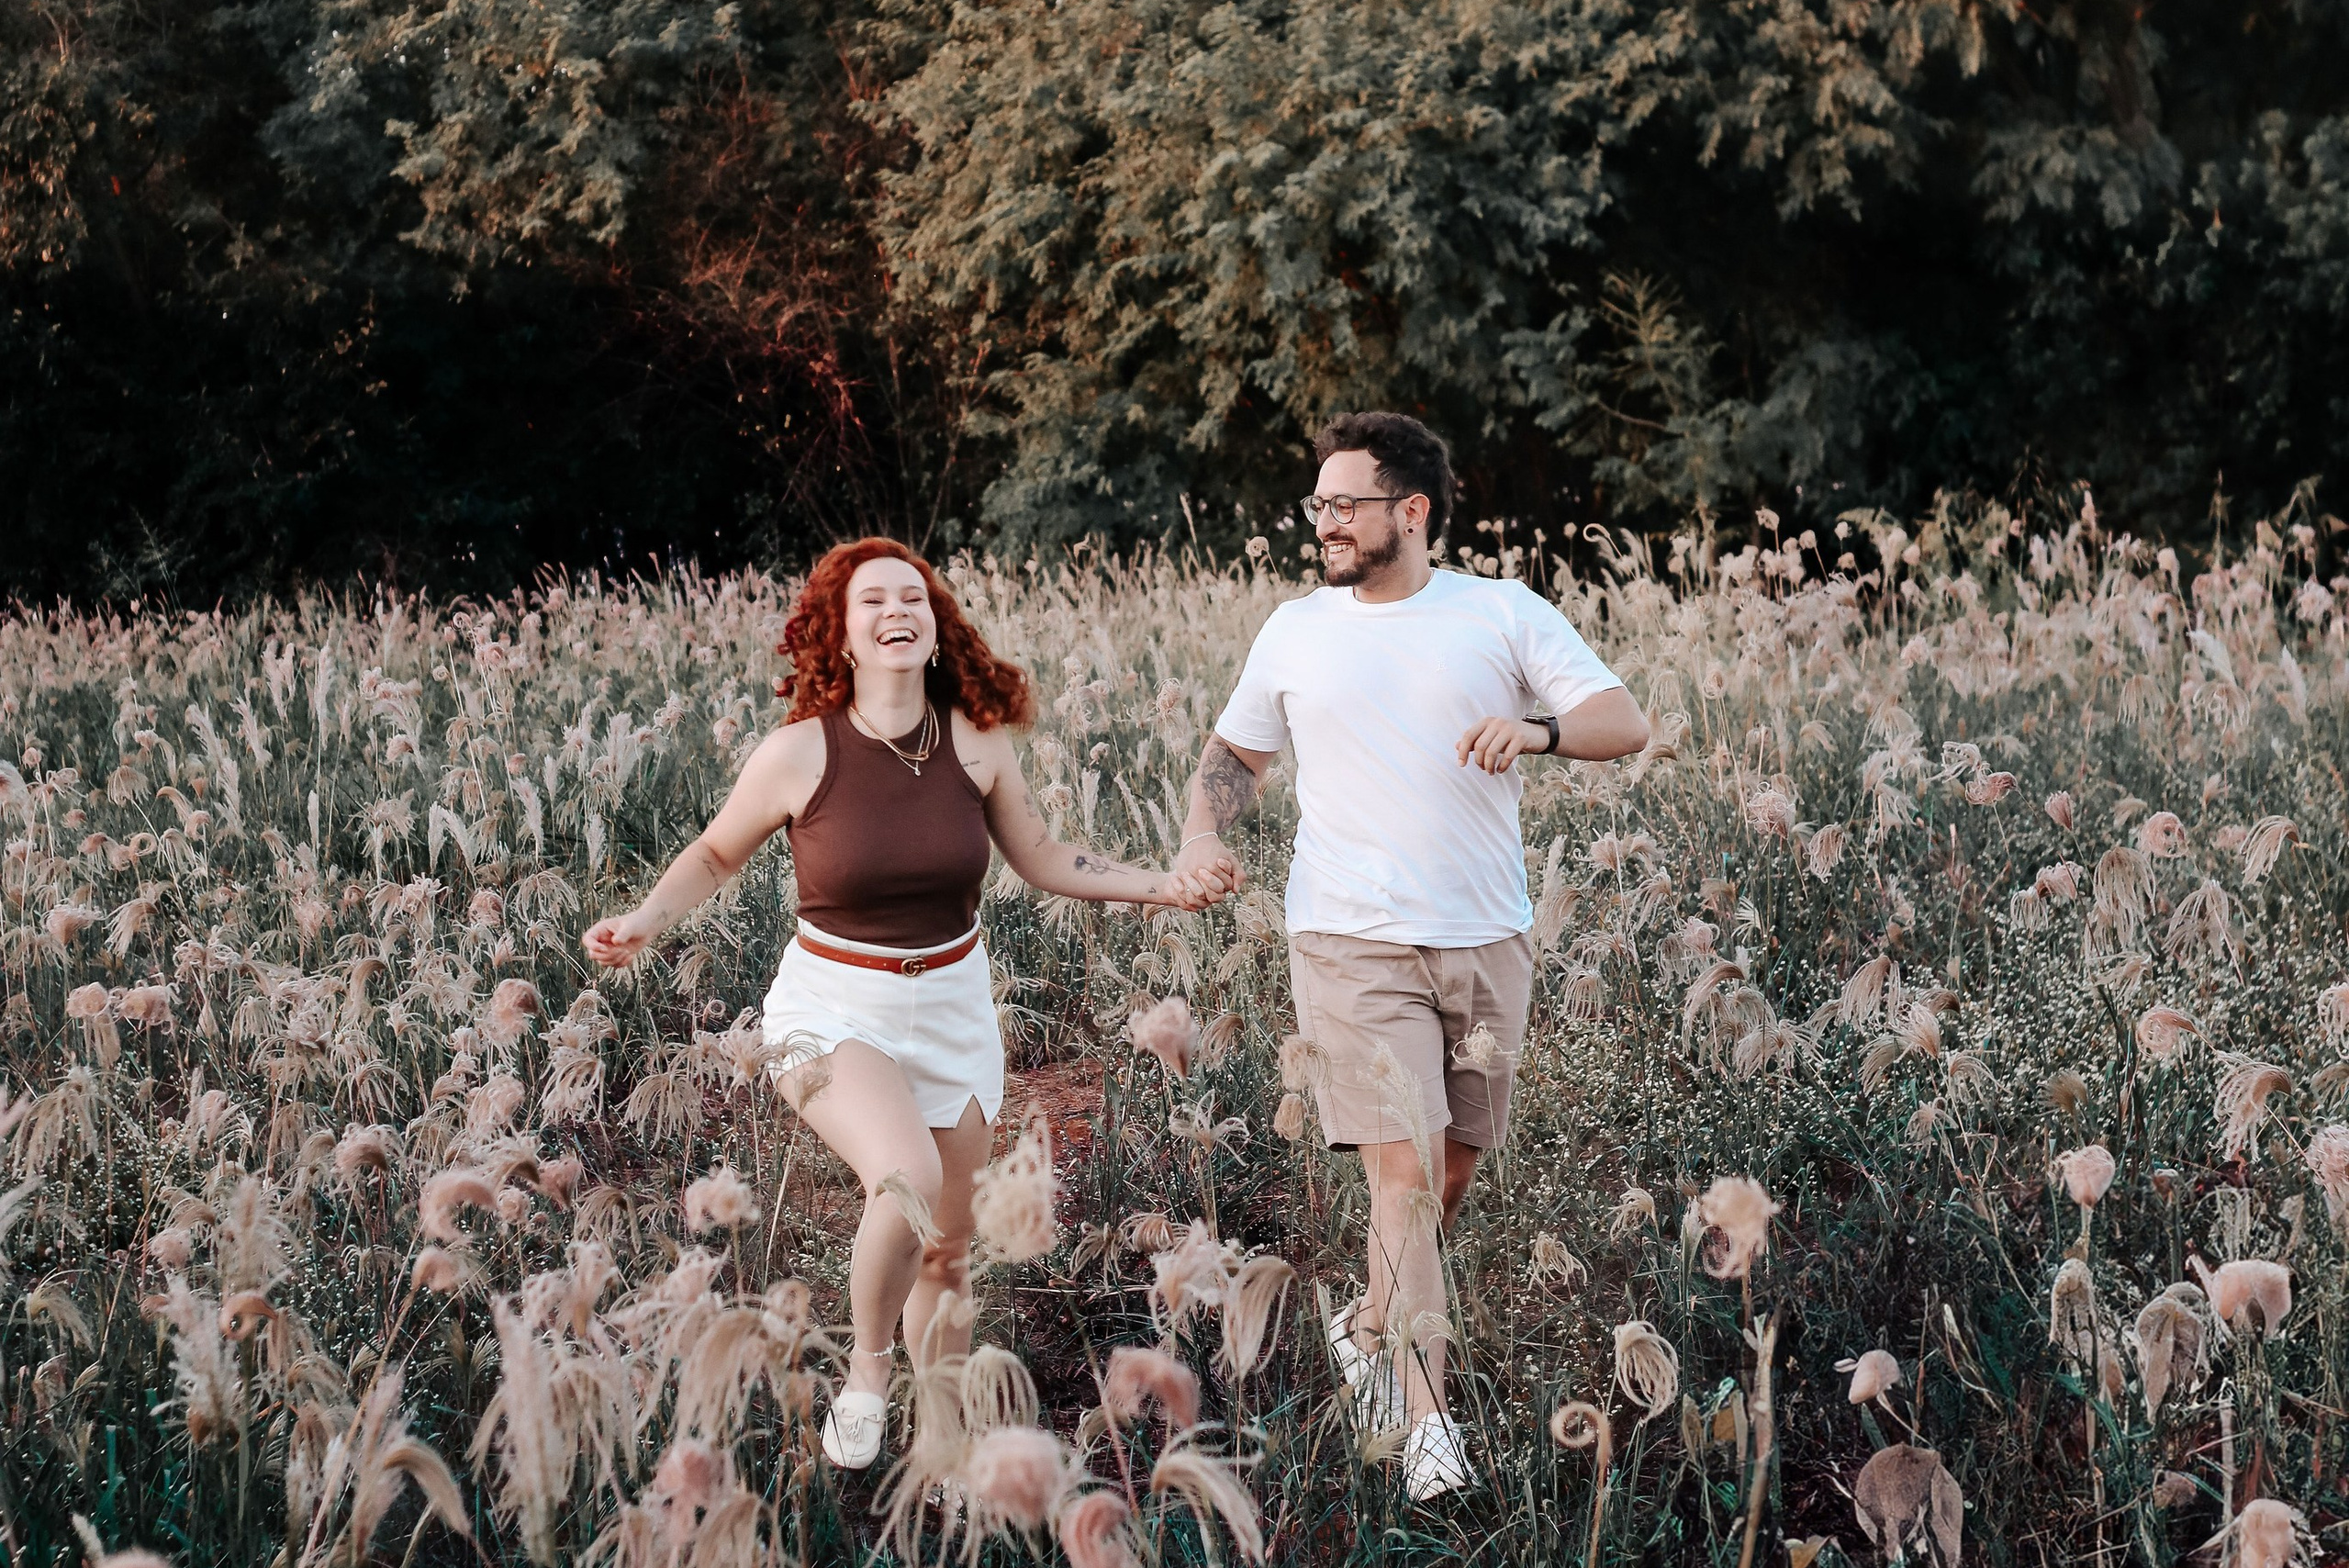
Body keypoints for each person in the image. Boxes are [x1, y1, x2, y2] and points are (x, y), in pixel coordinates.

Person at [584, 537, 1226, 1472]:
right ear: (840, 634)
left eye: (915, 599)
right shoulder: (801, 751)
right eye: (874, 599)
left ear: (935, 629)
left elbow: (1042, 856)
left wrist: (1163, 887)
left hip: (954, 1006)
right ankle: (870, 1368)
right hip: (832, 1005)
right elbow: (717, 853)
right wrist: (646, 916)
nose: (899, 610)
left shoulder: (974, 741)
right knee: (908, 1179)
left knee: (949, 1251)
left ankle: (944, 1445)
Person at [1174, 412, 1649, 1501]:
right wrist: (1205, 829)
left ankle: (1367, 1322)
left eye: (1344, 504)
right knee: (1402, 1177)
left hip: (1486, 939)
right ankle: (1424, 1420)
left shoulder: (1498, 611)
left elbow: (1622, 719)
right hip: (1348, 940)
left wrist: (1538, 733)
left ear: (1412, 511)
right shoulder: (1296, 629)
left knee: (1451, 1170)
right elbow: (1232, 757)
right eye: (1319, 505)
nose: (1325, 522)